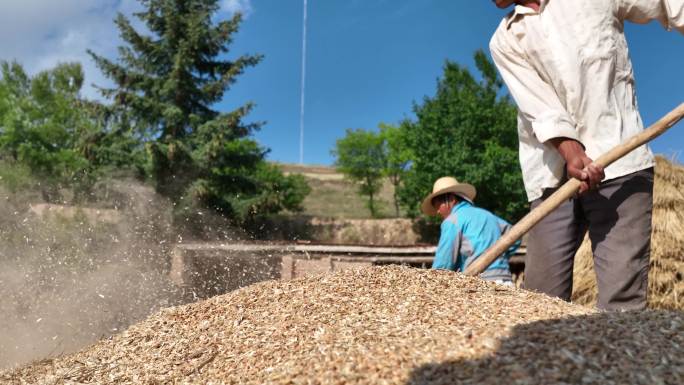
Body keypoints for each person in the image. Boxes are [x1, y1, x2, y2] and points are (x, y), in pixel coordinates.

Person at [489, 0, 683, 310]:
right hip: (550, 175)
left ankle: (618, 356)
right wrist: (570, 150)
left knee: (622, 305)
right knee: (539, 304)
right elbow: (540, 106)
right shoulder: (505, 40)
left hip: (621, 162)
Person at [421, 176, 520, 284]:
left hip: (480, 282)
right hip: (505, 279)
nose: (438, 212)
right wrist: (499, 256)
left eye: (438, 206)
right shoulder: (488, 215)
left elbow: (444, 262)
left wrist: (432, 283)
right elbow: (516, 236)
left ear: (451, 200)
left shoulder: (452, 221)